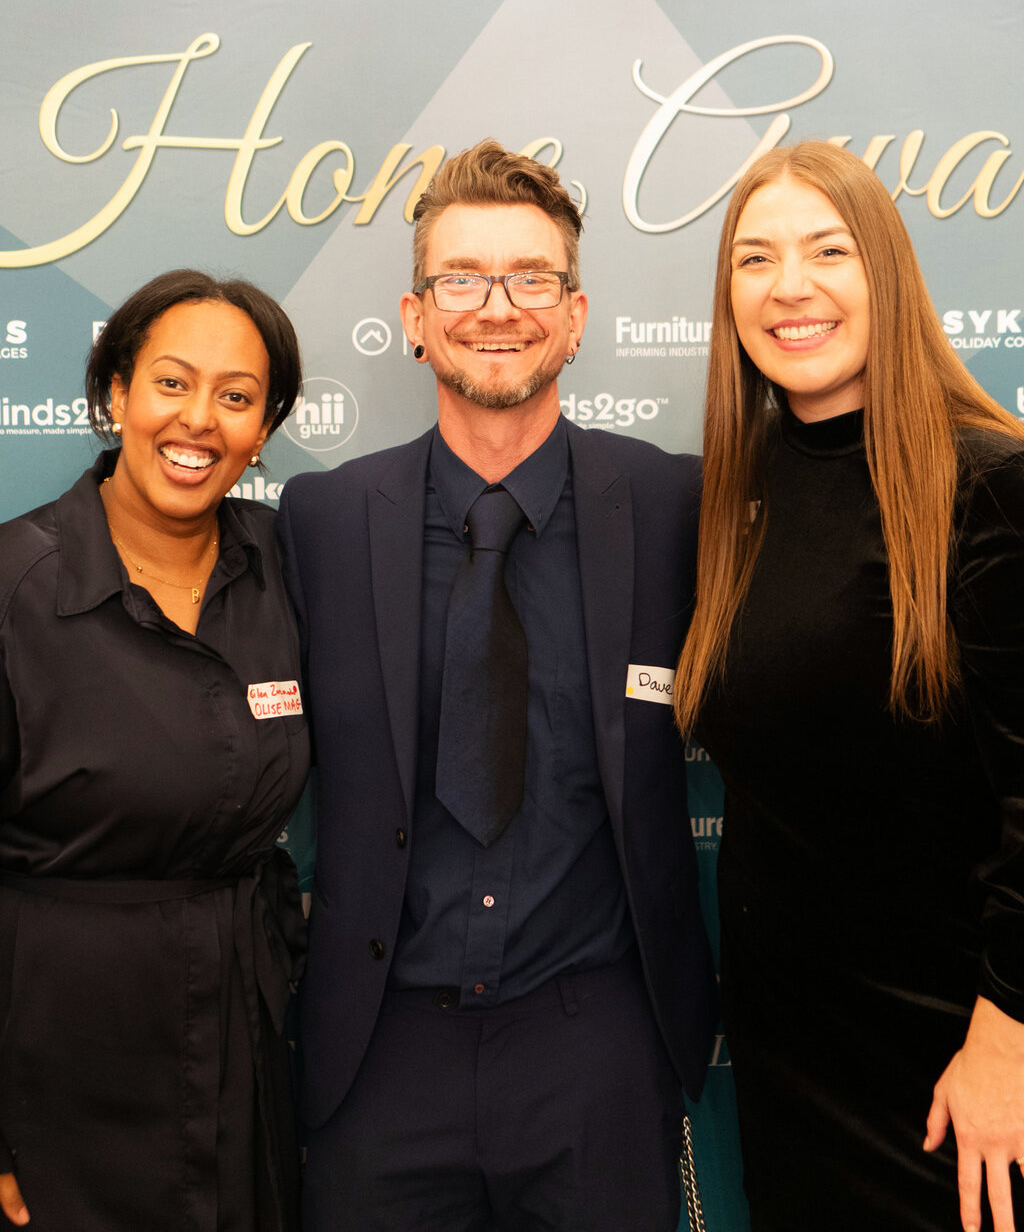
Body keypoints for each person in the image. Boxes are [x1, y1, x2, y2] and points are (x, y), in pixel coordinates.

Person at [277, 139, 715, 1232]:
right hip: (379, 1052)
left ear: (575, 315)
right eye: (462, 278)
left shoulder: (674, 507)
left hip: (595, 1044)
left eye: (531, 278)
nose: (498, 307)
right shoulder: (324, 522)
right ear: (415, 316)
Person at [675, 140, 1024, 1232]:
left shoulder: (990, 484)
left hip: (955, 1058)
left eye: (828, 251)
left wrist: (1007, 1043)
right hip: (790, 1050)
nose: (790, 287)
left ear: (887, 271)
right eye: (755, 258)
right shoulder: (739, 495)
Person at [0, 269, 309, 1232]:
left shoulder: (290, 569)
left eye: (237, 397)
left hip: (246, 1053)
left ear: (264, 430)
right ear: (117, 393)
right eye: (172, 383)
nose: (198, 420)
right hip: (58, 1072)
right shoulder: (14, 588)